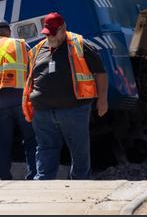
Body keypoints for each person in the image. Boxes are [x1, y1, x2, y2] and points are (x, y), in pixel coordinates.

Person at [22, 12, 108, 180]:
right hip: (43, 112)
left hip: (74, 109)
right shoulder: (36, 50)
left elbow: (100, 73)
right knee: (45, 147)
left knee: (79, 147)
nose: (50, 37)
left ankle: (80, 181)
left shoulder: (79, 45)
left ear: (63, 29)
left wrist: (102, 100)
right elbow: (29, 80)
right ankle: (44, 182)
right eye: (47, 33)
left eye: (54, 33)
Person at [0, 20, 36, 180]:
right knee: (31, 140)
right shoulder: (22, 45)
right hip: (23, 102)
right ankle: (34, 175)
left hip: (1, 106)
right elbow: (34, 71)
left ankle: (5, 177)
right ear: (9, 32)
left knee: (3, 144)